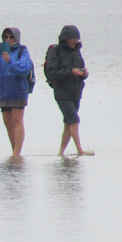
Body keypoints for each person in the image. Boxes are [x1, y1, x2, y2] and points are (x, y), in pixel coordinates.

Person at [0, 27, 33, 158]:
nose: (8, 39)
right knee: (8, 123)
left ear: (16, 38)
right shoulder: (1, 52)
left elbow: (24, 69)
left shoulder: (22, 51)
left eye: (11, 37)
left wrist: (10, 61)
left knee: (17, 120)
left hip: (18, 89)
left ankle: (17, 153)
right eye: (6, 37)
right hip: (3, 89)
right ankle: (14, 150)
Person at [46, 25, 93, 156]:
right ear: (65, 39)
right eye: (72, 39)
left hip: (76, 92)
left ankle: (61, 153)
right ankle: (80, 150)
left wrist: (85, 74)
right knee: (74, 120)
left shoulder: (77, 51)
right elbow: (52, 72)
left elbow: (81, 67)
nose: (75, 41)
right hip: (61, 92)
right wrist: (70, 72)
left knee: (68, 123)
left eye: (76, 39)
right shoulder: (55, 51)